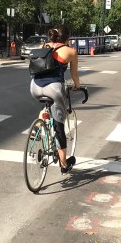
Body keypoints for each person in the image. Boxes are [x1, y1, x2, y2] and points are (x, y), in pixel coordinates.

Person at [30, 25, 81, 174]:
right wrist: (78, 86)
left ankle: (38, 128)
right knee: (59, 125)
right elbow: (74, 75)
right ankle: (64, 164)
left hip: (34, 86)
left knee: (46, 105)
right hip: (54, 89)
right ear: (67, 38)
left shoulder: (43, 46)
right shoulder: (70, 51)